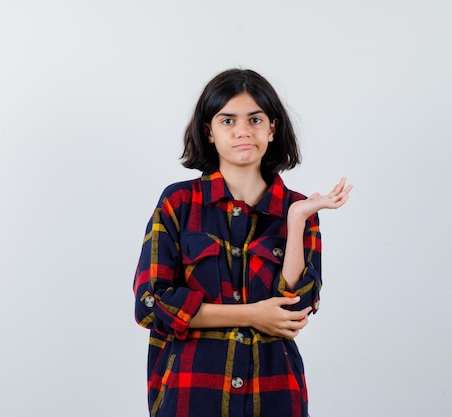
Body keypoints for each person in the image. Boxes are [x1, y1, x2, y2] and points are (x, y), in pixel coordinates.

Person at [133, 68, 352, 417]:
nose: (242, 131)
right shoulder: (178, 203)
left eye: (254, 119)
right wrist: (253, 314)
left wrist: (295, 221)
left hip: (274, 393)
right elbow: (149, 304)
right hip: (191, 393)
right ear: (209, 131)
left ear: (272, 128)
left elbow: (294, 311)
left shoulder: (299, 209)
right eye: (227, 120)